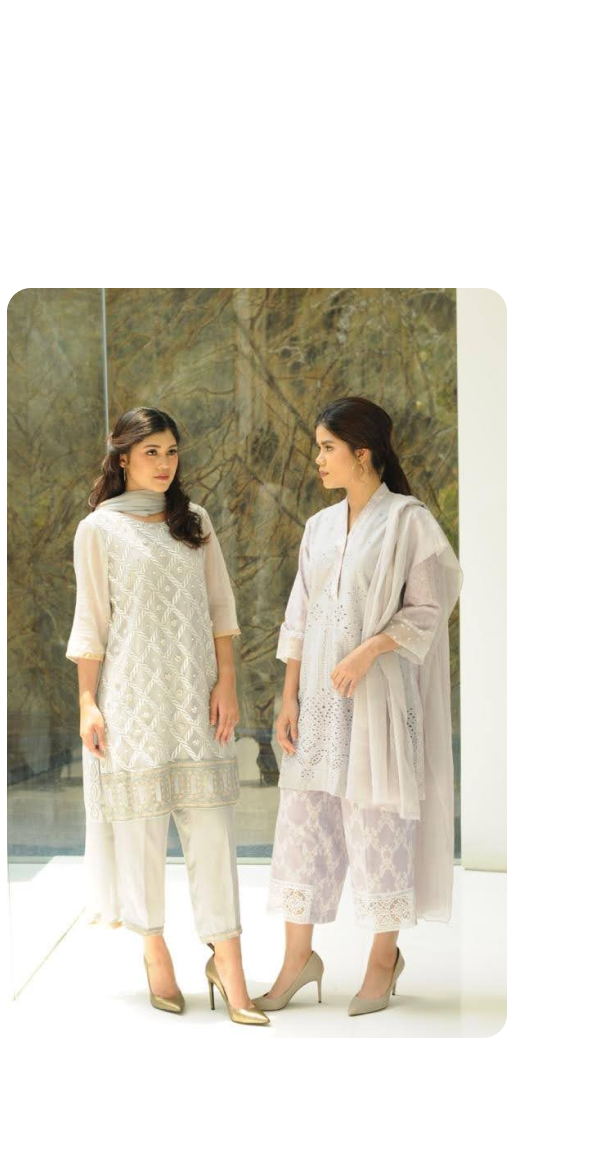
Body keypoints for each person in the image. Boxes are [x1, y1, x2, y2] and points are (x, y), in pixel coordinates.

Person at [256, 396, 461, 1017]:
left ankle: (382, 958)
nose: (317, 459)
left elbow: (432, 603)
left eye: (327, 447)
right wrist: (287, 699)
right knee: (304, 822)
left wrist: (370, 649)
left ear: (361, 453)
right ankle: (298, 959)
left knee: (378, 819)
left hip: (376, 697)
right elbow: (299, 615)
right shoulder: (318, 527)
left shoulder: (409, 521)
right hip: (317, 699)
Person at [67, 407, 267, 1025]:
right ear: (121, 456)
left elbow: (220, 607)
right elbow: (91, 622)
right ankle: (155, 952)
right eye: (151, 451)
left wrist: (228, 681)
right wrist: (87, 702)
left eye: (172, 451)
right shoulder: (98, 530)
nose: (164, 463)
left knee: (211, 831)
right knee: (141, 832)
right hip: (131, 700)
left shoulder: (194, 522)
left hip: (198, 696)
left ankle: (229, 965)